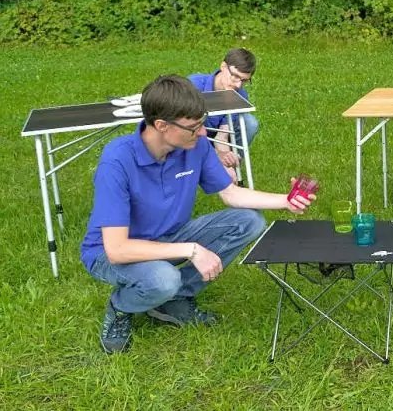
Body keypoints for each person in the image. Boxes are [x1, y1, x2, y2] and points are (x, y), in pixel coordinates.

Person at [81, 75, 315, 354]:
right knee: (163, 278)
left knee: (249, 221)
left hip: (168, 237)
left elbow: (231, 194)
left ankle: (177, 299)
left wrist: (285, 201)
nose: (203, 133)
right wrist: (192, 250)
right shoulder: (118, 160)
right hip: (110, 252)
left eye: (203, 123)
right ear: (161, 126)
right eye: (194, 127)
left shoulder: (196, 146)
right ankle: (121, 307)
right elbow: (117, 250)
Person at [188, 48, 259, 179]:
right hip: (189, 136)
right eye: (235, 76)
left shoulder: (239, 94)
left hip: (212, 137)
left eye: (244, 80)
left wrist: (226, 162)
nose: (238, 84)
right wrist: (216, 155)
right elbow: (184, 131)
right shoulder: (193, 85)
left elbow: (222, 136)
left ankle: (230, 166)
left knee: (250, 123)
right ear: (223, 67)